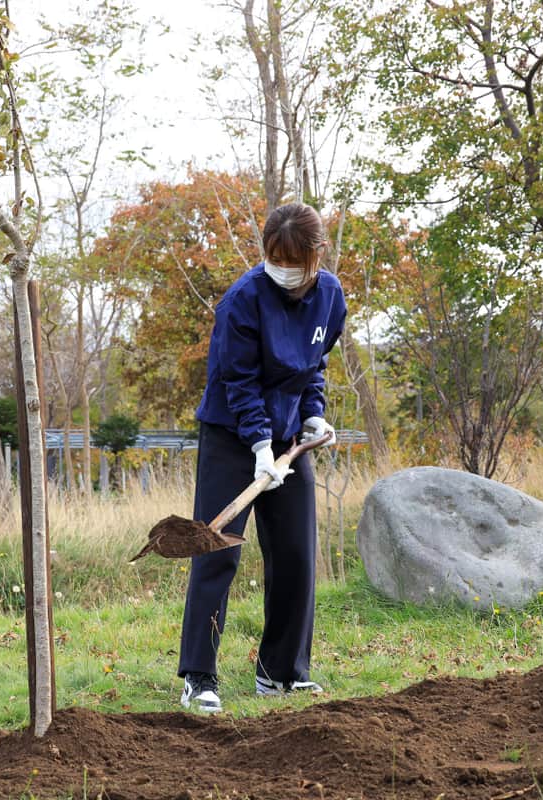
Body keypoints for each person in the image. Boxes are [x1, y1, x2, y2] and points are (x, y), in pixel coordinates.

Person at [178, 202, 346, 714]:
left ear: (316, 255)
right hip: (233, 436)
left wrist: (313, 415)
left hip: (291, 435)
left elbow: (313, 364)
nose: (284, 267)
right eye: (276, 257)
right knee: (218, 549)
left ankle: (281, 673)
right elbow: (240, 382)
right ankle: (199, 677)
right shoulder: (241, 302)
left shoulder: (330, 296)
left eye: (294, 258)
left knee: (296, 552)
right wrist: (257, 448)